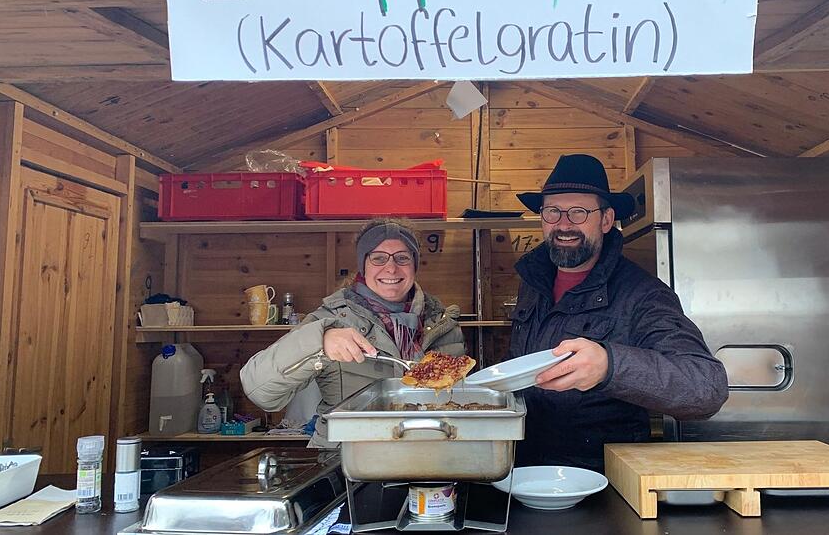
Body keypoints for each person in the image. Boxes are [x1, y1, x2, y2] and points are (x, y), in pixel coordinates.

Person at [509, 154, 729, 472]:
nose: (563, 224)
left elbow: (706, 388)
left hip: (604, 479)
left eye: (579, 212)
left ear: (607, 219)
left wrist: (610, 366)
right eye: (552, 211)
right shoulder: (533, 281)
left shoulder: (643, 295)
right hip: (524, 472)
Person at [240, 218, 465, 447]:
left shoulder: (443, 325)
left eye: (402, 258)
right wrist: (319, 343)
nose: (391, 268)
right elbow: (259, 391)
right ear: (363, 265)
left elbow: (457, 403)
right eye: (378, 258)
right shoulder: (332, 320)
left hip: (428, 459)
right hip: (347, 465)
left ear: (414, 265)